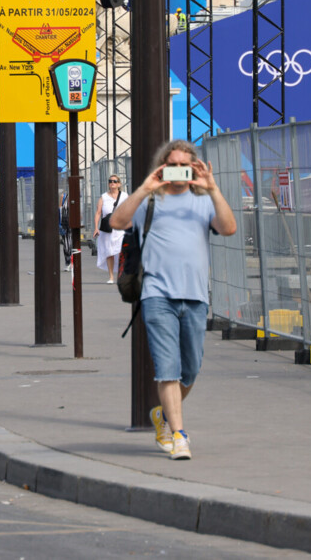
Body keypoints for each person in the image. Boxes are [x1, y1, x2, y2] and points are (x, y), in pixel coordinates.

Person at [109, 139, 237, 461]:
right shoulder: (149, 201)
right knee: (168, 369)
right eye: (172, 164)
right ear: (162, 166)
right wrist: (143, 187)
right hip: (157, 295)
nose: (179, 169)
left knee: (190, 370)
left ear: (194, 167)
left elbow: (229, 228)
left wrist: (213, 188)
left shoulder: (204, 200)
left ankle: (163, 416)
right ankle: (179, 435)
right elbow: (116, 222)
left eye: (185, 164)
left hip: (194, 296)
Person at [93, 175, 127, 283]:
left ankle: (122, 275)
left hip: (120, 228)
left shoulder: (124, 196)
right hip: (107, 228)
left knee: (122, 251)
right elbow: (98, 212)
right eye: (110, 181)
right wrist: (96, 228)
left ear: (119, 184)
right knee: (110, 252)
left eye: (115, 181)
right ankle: (111, 276)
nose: (112, 183)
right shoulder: (103, 197)